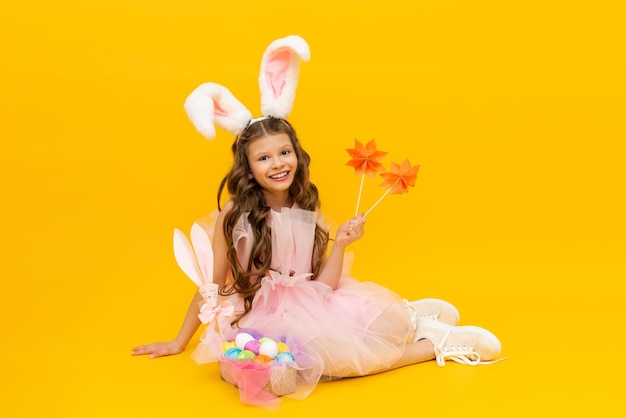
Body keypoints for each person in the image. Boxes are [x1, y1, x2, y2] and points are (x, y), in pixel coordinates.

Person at [132, 35, 503, 404]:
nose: (277, 163)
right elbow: (210, 289)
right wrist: (180, 340)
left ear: (297, 154)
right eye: (263, 158)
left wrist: (339, 243)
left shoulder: (305, 206)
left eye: (284, 152)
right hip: (262, 321)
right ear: (247, 167)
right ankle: (429, 342)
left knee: (344, 348)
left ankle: (423, 330)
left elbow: (322, 287)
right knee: (314, 364)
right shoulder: (234, 216)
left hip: (313, 308)